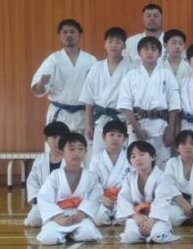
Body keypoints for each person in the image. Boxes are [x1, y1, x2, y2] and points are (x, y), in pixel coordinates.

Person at [117, 36, 181, 169]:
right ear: (139, 53)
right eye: (145, 49)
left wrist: (171, 129)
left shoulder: (167, 75)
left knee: (162, 165)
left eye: (153, 49)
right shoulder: (131, 76)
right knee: (137, 165)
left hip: (161, 127)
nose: (149, 52)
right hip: (138, 126)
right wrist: (136, 128)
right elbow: (125, 105)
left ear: (160, 53)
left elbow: (174, 105)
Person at [31, 19, 97, 134]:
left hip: (83, 115)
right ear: (59, 36)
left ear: (80, 35)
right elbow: (38, 91)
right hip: (59, 114)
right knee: (57, 145)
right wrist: (42, 83)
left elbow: (97, 90)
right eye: (65, 32)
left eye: (72, 31)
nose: (68, 35)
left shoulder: (91, 60)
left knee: (82, 145)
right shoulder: (53, 60)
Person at [36, 133, 103, 245]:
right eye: (71, 149)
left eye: (80, 149)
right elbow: (44, 198)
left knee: (88, 233)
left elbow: (95, 198)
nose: (76, 153)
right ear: (62, 153)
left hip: (80, 216)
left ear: (86, 152)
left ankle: (72, 234)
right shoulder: (55, 176)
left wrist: (82, 213)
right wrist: (58, 218)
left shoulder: (91, 177)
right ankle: (65, 234)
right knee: (48, 238)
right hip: (58, 216)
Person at [80, 26, 131, 157]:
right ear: (105, 44)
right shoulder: (96, 67)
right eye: (110, 41)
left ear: (124, 46)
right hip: (101, 120)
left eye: (118, 42)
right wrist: (88, 124)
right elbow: (88, 98)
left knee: (123, 158)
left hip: (123, 119)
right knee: (98, 157)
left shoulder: (131, 68)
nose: (114, 45)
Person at [117, 141, 181, 243]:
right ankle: (144, 234)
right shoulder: (129, 178)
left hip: (158, 217)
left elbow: (162, 201)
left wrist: (151, 221)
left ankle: (158, 232)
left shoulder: (161, 177)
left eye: (142, 154)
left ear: (153, 157)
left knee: (158, 235)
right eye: (133, 156)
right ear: (130, 162)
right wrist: (134, 215)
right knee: (131, 236)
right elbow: (124, 199)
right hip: (137, 217)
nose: (138, 158)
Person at [24, 122, 70, 227]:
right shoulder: (40, 160)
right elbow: (32, 181)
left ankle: (53, 220)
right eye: (54, 137)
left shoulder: (72, 159)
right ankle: (53, 220)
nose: (57, 141)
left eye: (61, 137)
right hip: (44, 202)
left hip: (66, 203)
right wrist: (36, 198)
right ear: (46, 140)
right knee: (33, 220)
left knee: (69, 217)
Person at [89, 120, 131, 226]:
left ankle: (117, 216)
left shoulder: (130, 158)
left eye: (119, 135)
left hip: (123, 198)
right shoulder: (96, 159)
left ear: (124, 139)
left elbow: (134, 181)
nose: (115, 138)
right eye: (111, 135)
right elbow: (92, 184)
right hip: (103, 199)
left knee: (125, 218)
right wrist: (102, 198)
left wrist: (122, 197)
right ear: (104, 137)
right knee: (98, 218)